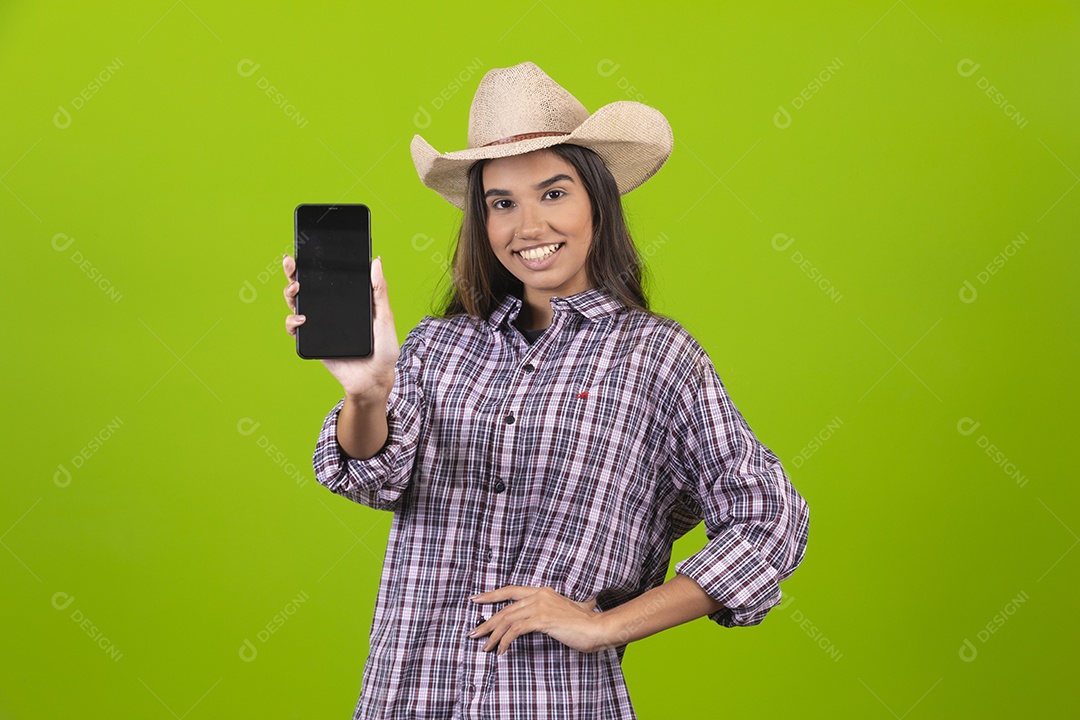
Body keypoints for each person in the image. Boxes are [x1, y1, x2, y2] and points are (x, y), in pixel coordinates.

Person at [282, 61, 809, 720]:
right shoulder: (438, 347)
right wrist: (368, 392)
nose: (527, 227)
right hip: (405, 699)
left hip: (555, 702)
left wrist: (605, 625)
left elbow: (769, 521)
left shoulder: (656, 358)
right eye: (502, 202)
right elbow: (370, 477)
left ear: (596, 198)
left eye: (553, 193)